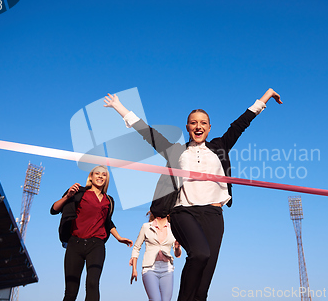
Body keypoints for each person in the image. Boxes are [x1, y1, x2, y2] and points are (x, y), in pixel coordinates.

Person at [104, 88, 282, 301]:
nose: (198, 126)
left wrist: (266, 97)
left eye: (203, 123)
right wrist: (119, 107)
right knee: (199, 254)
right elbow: (148, 133)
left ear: (209, 127)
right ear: (187, 127)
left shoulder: (220, 146)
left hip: (214, 215)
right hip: (184, 213)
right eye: (193, 122)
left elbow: (241, 124)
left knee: (203, 281)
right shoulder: (176, 151)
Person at [51, 165, 133, 301]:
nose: (100, 176)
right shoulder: (78, 193)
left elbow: (107, 222)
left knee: (93, 284)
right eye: (97, 173)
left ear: (106, 179)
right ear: (91, 176)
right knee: (71, 291)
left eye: (104, 175)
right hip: (75, 244)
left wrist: (119, 237)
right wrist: (68, 196)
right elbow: (54, 209)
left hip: (96, 245)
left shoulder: (109, 201)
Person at [130, 212, 182, 301]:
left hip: (167, 269)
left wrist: (177, 247)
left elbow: (177, 255)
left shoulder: (173, 228)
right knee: (155, 299)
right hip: (150, 268)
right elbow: (136, 247)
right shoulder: (146, 227)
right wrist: (134, 269)